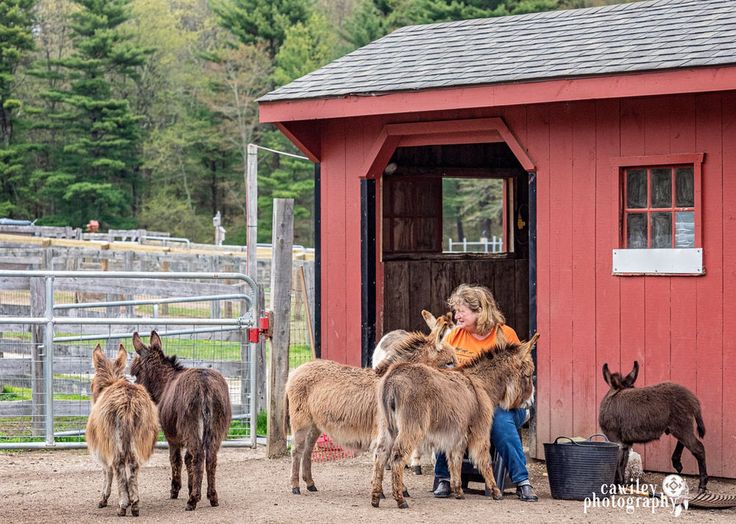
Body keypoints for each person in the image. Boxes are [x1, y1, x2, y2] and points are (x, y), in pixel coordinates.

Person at [433, 284, 538, 502]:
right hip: (466, 405)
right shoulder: (454, 337)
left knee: (498, 420)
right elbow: (440, 372)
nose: (456, 315)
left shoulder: (505, 335)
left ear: (480, 310)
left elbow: (520, 378)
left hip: (507, 404)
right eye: (455, 310)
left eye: (462, 310)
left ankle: (522, 481)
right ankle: (444, 477)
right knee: (449, 415)